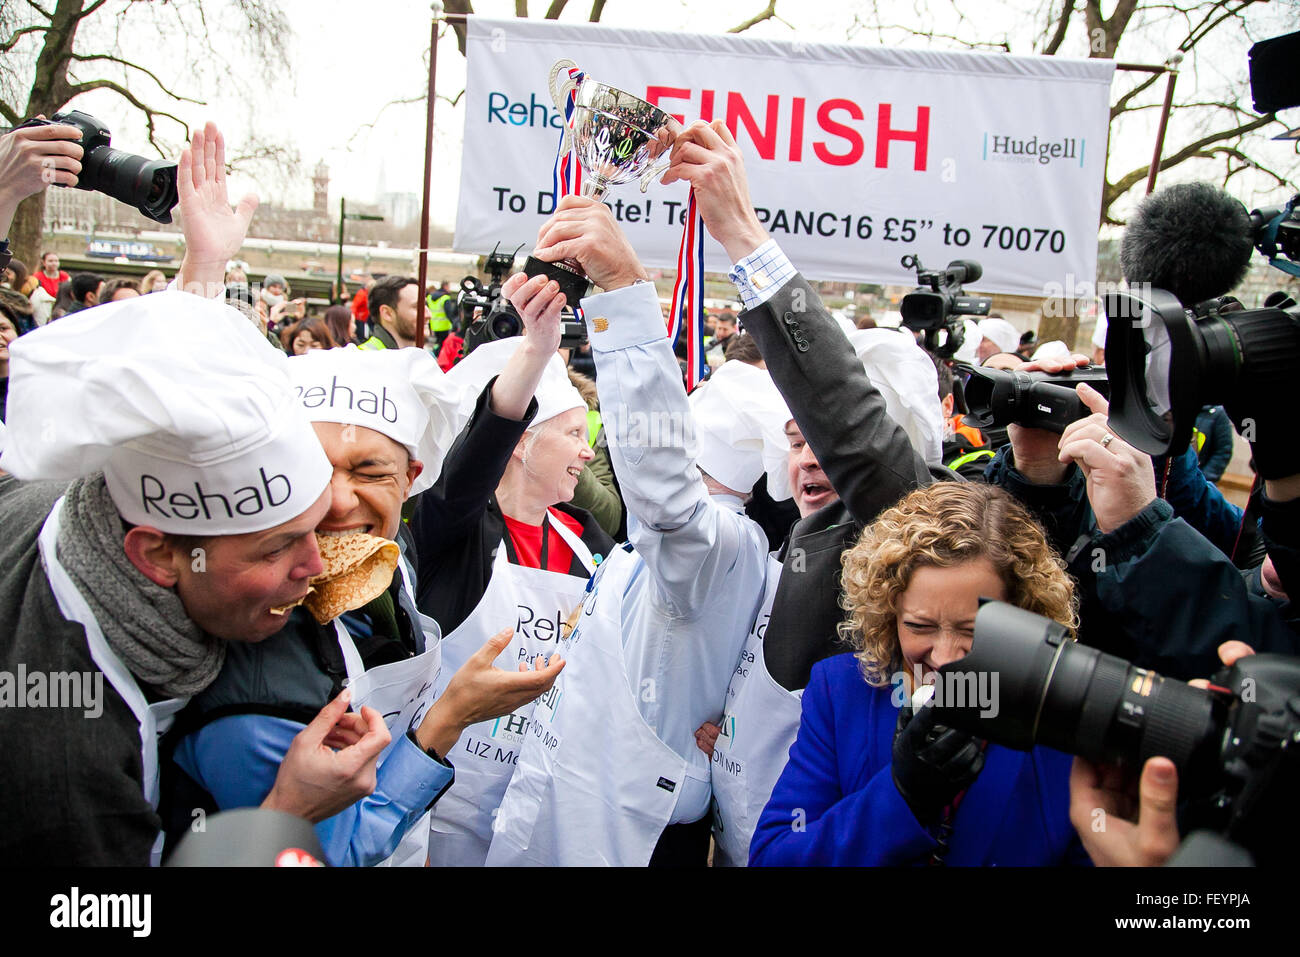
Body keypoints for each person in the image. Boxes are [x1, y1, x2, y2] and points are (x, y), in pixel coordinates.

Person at [0, 120, 386, 867]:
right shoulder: (64, 734)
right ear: (154, 555)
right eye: (277, 547)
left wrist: (203, 271)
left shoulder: (114, 497)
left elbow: (172, 415)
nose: (316, 567)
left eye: (311, 527)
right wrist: (284, 812)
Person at [168, 344, 565, 866]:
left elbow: (463, 485)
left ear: (410, 479)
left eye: (370, 472)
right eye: (310, 467)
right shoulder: (258, 667)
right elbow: (327, 853)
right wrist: (450, 718)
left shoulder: (392, 555)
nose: (338, 501)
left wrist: (535, 351)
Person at [486, 198, 790, 867]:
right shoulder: (721, 546)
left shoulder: (722, 545)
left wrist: (625, 296)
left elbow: (664, 496)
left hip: (636, 839)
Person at [750, 482, 1088, 865]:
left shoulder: (1061, 721)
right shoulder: (840, 691)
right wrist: (901, 796)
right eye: (920, 627)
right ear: (887, 616)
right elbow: (774, 856)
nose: (944, 657)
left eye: (973, 631)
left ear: (1025, 613)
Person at [412, 309, 614, 866]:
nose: (587, 451)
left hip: (541, 799)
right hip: (444, 798)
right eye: (574, 433)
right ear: (522, 441)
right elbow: (463, 479)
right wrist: (534, 353)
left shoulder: (587, 539)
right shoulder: (452, 530)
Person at [361, 275, 420, 350]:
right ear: (387, 313)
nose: (428, 314)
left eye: (426, 305)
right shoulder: (363, 358)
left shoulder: (424, 356)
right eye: (417, 307)